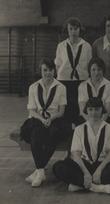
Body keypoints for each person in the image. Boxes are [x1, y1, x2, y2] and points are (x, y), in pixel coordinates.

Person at [53, 97, 110, 193]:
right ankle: (97, 187)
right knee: (58, 167)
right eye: (90, 109)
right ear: (86, 111)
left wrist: (99, 170)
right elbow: (76, 155)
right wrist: (86, 173)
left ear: (102, 110)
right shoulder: (79, 129)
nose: (93, 113)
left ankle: (81, 185)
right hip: (84, 165)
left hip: (102, 164)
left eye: (97, 109)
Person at [20, 58, 67, 187]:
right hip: (37, 119)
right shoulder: (33, 87)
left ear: (54, 71)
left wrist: (50, 119)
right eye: (45, 70)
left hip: (55, 119)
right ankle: (41, 171)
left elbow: (61, 111)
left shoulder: (61, 87)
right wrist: (42, 119)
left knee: (54, 134)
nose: (48, 73)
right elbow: (32, 110)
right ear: (40, 71)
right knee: (36, 134)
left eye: (50, 70)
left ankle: (38, 171)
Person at [55, 17, 92, 126]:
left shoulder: (87, 46)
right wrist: (62, 75)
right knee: (66, 106)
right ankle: (66, 130)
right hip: (64, 80)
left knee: (79, 105)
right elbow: (58, 64)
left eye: (76, 29)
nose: (73, 31)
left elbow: (89, 64)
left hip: (81, 80)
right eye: (71, 29)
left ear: (80, 30)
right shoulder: (61, 46)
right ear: (67, 30)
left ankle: (78, 129)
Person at [78, 57, 110, 123]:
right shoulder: (82, 86)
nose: (96, 72)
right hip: (86, 119)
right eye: (93, 70)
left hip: (105, 119)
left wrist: (100, 124)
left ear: (103, 70)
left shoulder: (109, 85)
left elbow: (108, 110)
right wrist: (90, 124)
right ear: (89, 71)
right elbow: (82, 110)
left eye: (99, 69)